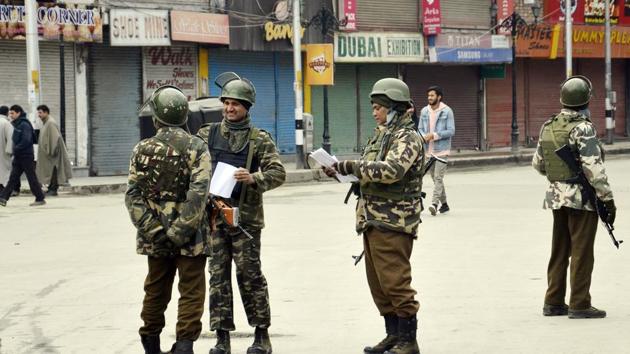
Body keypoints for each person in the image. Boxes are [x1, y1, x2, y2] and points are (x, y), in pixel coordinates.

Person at [324, 78, 424, 354]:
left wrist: (351, 165)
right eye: (373, 107)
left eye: (379, 107)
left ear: (394, 107)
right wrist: (342, 173)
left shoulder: (407, 138)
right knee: (379, 285)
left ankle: (408, 340)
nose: (374, 112)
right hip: (372, 219)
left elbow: (391, 171)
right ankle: (393, 335)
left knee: (396, 282)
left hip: (394, 221)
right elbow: (369, 172)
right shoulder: (382, 135)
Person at [197, 72, 286, 354]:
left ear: (247, 106)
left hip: (245, 221)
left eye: (235, 104)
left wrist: (254, 178)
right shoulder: (206, 135)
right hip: (214, 219)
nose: (229, 108)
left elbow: (278, 173)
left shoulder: (259, 139)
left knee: (250, 275)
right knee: (217, 276)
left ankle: (262, 335)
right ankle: (221, 337)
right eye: (226, 103)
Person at [125, 85, 212, 354]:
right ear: (185, 116)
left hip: (156, 237)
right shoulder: (197, 146)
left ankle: (150, 343)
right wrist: (180, 231)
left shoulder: (142, 149)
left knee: (156, 288)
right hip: (191, 237)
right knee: (191, 290)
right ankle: (185, 346)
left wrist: (156, 232)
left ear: (156, 118)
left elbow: (133, 196)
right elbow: (199, 193)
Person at [532, 75, 616, 319]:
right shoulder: (584, 128)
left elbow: (538, 164)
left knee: (559, 249)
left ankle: (554, 301)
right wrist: (607, 199)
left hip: (556, 197)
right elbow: (595, 170)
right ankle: (579, 303)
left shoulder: (548, 125)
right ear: (585, 101)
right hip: (582, 198)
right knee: (581, 250)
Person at [418, 86, 454, 216]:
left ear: (439, 97)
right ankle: (444, 204)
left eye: (432, 96)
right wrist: (423, 137)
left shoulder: (447, 111)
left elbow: (451, 131)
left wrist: (434, 135)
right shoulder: (424, 111)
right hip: (429, 151)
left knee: (438, 178)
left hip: (442, 150)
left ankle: (434, 204)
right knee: (435, 178)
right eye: (428, 96)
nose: (429, 98)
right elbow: (420, 128)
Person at [0, 105, 45, 207]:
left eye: (12, 113)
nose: (10, 115)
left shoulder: (24, 125)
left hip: (26, 156)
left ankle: (40, 197)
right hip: (19, 156)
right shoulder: (16, 124)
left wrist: (14, 149)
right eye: (10, 113)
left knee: (31, 178)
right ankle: (3, 198)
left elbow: (26, 140)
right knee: (13, 178)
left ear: (18, 113)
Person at [35, 105, 73, 196]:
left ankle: (53, 189)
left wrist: (51, 152)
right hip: (48, 154)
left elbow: (55, 138)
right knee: (50, 171)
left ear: (46, 112)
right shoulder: (46, 122)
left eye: (40, 112)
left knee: (53, 171)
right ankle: (51, 188)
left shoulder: (50, 123)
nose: (39, 115)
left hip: (52, 154)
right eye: (38, 113)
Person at [0, 105, 13, 193]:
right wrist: (10, 152)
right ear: (7, 113)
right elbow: (11, 139)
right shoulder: (6, 123)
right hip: (3, 152)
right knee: (3, 172)